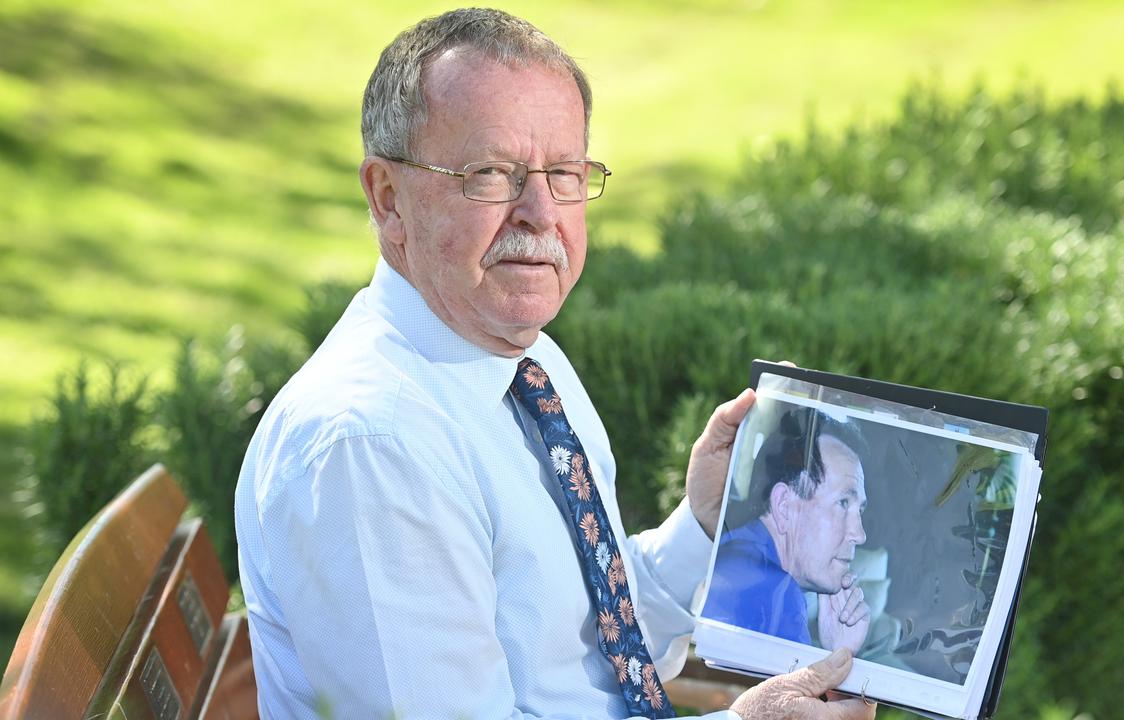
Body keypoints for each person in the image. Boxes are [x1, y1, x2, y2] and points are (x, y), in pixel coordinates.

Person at [233, 8, 875, 720]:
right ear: (389, 199)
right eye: (489, 174)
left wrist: (705, 522)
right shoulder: (371, 445)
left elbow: (592, 653)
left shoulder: (523, 358)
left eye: (565, 173)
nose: (540, 212)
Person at [702, 407, 873, 656]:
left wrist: (834, 652)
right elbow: (790, 697)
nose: (859, 534)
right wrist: (841, 657)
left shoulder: (738, 554)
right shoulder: (775, 592)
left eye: (860, 510)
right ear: (784, 506)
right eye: (843, 503)